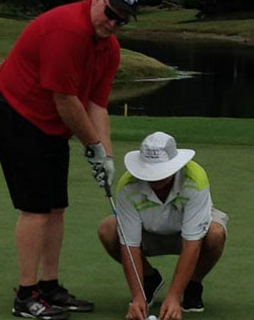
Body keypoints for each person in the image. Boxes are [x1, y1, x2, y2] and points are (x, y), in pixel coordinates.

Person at [0, 0, 140, 319]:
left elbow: (96, 105)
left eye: (122, 21)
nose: (113, 23)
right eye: (111, 13)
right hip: (18, 115)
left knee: (56, 208)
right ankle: (26, 297)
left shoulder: (109, 49)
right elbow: (65, 100)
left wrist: (108, 158)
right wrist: (93, 147)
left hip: (51, 127)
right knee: (36, 210)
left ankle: (49, 288)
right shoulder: (68, 29)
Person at [97, 132, 229, 320]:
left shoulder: (195, 179)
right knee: (107, 229)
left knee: (215, 233)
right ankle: (149, 281)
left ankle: (192, 285)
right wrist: (137, 296)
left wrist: (174, 297)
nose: (155, 178)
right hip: (148, 234)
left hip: (188, 234)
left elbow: (192, 243)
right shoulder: (128, 185)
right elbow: (130, 245)